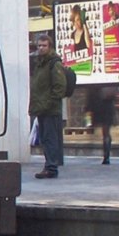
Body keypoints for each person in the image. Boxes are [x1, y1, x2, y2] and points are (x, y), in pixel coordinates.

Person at [29, 34, 66, 179]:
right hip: (42, 107)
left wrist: (49, 103)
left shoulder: (54, 63)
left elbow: (59, 87)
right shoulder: (40, 63)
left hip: (49, 108)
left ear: (49, 46)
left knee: (50, 138)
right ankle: (49, 165)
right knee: (44, 138)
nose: (41, 48)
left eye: (44, 45)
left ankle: (51, 167)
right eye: (39, 46)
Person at [83, 85, 117, 164]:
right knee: (106, 133)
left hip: (97, 109)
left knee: (104, 132)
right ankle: (106, 156)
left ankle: (106, 155)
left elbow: (89, 98)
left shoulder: (93, 85)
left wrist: (87, 109)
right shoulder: (109, 83)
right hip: (107, 109)